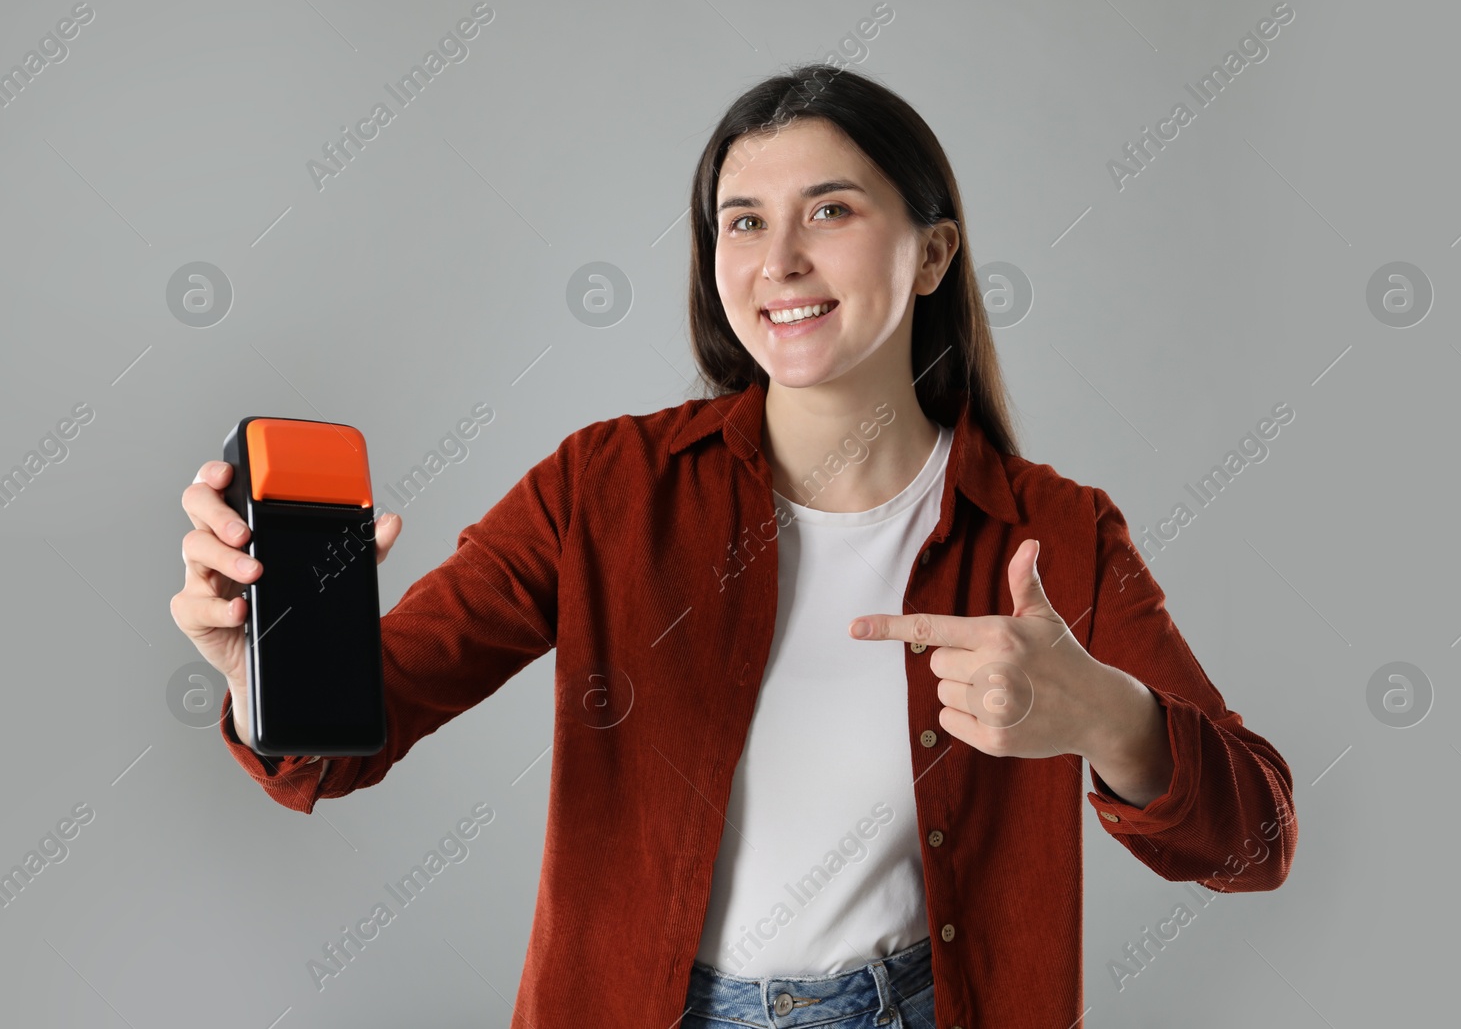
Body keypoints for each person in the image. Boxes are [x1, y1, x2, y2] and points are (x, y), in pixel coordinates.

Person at [171, 63, 1296, 1029]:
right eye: (743, 219)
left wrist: (1104, 714)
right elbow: (345, 740)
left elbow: (1256, 837)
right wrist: (261, 667)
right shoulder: (601, 486)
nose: (779, 259)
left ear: (933, 252)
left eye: (832, 211)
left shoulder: (1057, 533)